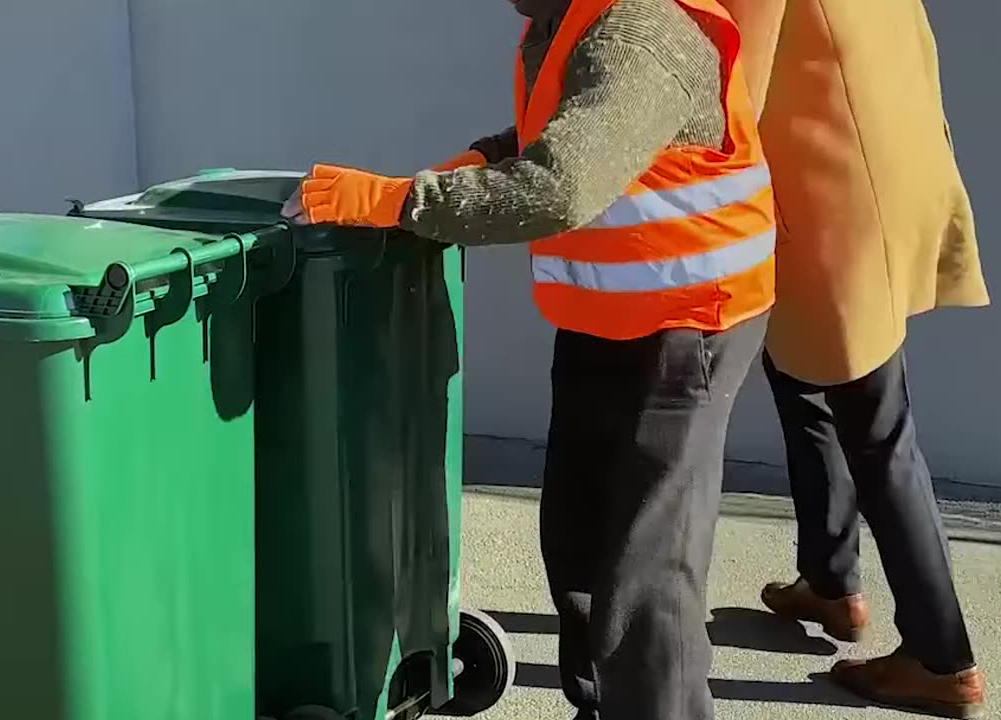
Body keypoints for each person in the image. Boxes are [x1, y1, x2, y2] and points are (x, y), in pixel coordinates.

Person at [282, 1, 775, 717]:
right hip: (606, 316)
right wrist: (481, 161)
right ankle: (598, 704)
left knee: (647, 580)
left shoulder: (638, 29)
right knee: (577, 540)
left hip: (687, 320)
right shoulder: (560, 18)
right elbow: (567, 131)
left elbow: (560, 186)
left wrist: (401, 202)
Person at [720, 0, 990, 717]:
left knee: (877, 427)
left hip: (836, 196)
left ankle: (943, 659)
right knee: (802, 379)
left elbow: (731, 87)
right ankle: (831, 581)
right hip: (887, 170)